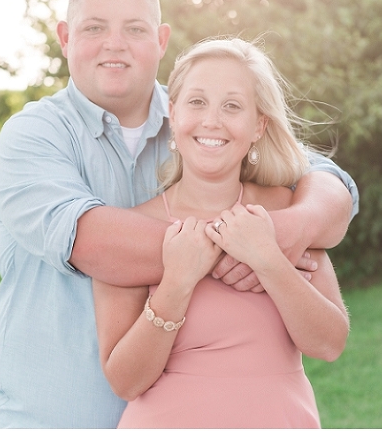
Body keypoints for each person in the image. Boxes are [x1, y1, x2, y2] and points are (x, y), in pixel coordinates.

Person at [0, 0, 358, 429]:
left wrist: (281, 236)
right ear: (64, 36)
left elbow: (328, 182)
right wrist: (237, 245)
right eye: (95, 27)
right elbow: (96, 244)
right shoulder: (32, 136)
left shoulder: (200, 117)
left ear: (161, 40)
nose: (114, 44)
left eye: (135, 29)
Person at [93, 37, 350, 428]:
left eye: (232, 106)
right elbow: (125, 382)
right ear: (173, 114)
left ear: (258, 126)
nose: (212, 120)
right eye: (197, 102)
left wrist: (269, 260)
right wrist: (177, 282)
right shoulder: (131, 229)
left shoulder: (286, 212)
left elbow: (329, 344)